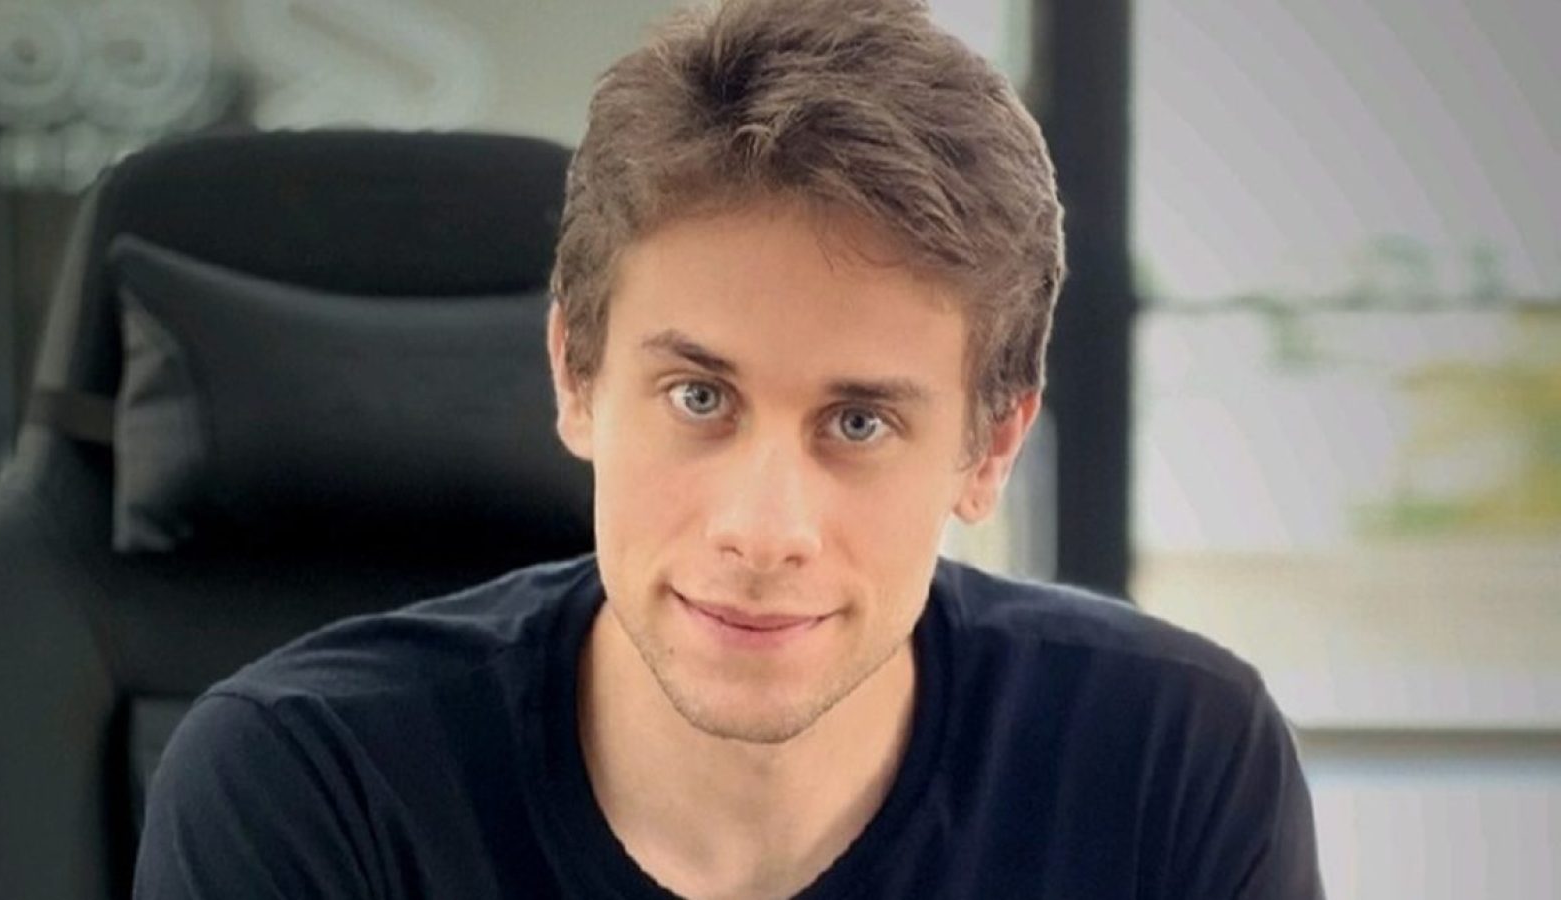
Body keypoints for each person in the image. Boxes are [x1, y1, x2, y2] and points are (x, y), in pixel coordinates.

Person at [134, 0, 1324, 897]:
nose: (762, 532)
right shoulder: (306, 784)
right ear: (576, 375)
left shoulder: (1172, 760)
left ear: (987, 447)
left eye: (859, 423)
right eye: (700, 397)